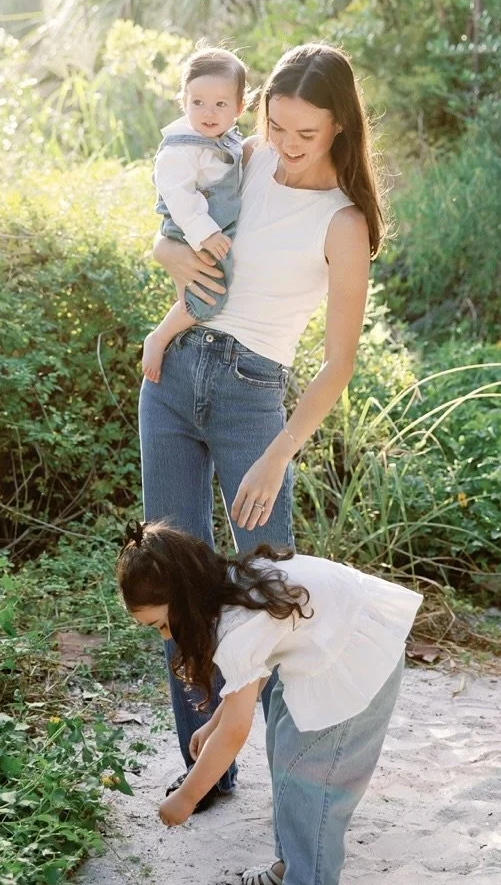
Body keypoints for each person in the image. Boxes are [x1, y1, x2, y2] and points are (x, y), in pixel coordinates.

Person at [138, 42, 387, 810]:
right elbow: (168, 230)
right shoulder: (240, 156)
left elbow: (337, 365)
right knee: (173, 576)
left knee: (269, 588)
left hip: (253, 393)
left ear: (339, 127)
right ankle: (205, 766)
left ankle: (290, 764)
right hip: (173, 378)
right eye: (274, 124)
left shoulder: (343, 223)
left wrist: (280, 452)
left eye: (303, 134)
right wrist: (168, 266)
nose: (282, 145)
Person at [117, 523, 422, 885]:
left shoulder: (234, 625)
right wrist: (213, 721)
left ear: (185, 599)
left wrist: (188, 796)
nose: (166, 636)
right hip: (324, 651)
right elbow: (249, 681)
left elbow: (236, 733)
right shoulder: (225, 590)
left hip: (356, 658)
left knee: (310, 777)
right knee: (282, 749)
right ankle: (292, 863)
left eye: (161, 624)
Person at [141, 47, 248, 384]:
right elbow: (178, 196)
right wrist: (205, 234)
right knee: (208, 291)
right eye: (197, 102)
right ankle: (159, 337)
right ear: (183, 100)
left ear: (239, 107)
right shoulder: (180, 147)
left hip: (211, 227)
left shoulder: (227, 139)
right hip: (190, 228)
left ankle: (182, 332)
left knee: (203, 290)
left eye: (220, 104)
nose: (208, 113)